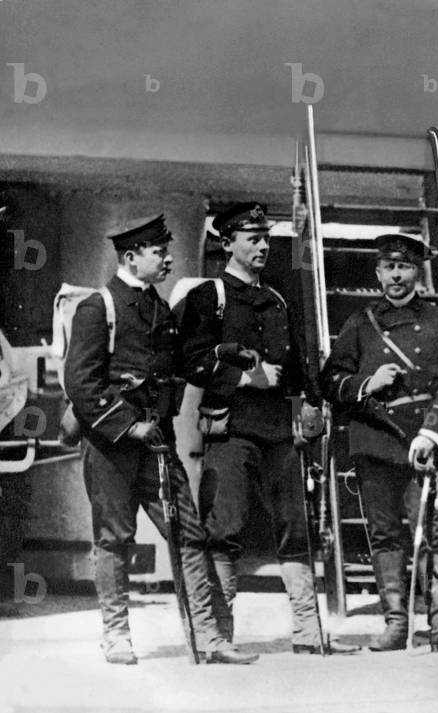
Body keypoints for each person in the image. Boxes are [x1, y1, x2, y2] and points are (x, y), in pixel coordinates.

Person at [65, 215, 256, 665]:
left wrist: (223, 355)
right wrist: (128, 426)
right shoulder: (99, 307)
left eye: (166, 249)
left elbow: (179, 366)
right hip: (112, 445)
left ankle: (207, 637)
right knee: (114, 538)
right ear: (131, 257)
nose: (168, 257)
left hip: (158, 444)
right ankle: (116, 636)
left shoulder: (161, 309)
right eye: (158, 250)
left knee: (188, 533)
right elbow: (82, 383)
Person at [179, 202, 345, 655]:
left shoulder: (277, 300)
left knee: (295, 525)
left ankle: (309, 634)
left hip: (279, 430)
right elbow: (187, 361)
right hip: (229, 428)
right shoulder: (207, 297)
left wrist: (311, 401)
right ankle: (219, 634)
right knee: (224, 525)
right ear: (226, 243)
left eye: (266, 238)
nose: (263, 246)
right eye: (252, 238)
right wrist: (243, 377)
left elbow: (297, 362)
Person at [319, 233, 438, 654]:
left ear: (418, 272)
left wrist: (432, 433)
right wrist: (367, 383)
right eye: (389, 268)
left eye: (404, 267)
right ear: (378, 273)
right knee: (384, 534)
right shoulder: (360, 322)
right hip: (375, 440)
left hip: (422, 440)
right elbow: (330, 380)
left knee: (433, 533)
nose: (396, 276)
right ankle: (394, 623)